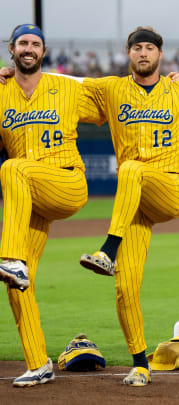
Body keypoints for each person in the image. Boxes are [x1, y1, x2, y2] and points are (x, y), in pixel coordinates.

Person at [75, 27, 179, 386]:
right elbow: (60, 85)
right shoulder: (111, 87)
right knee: (126, 288)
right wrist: (12, 75)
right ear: (128, 53)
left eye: (150, 48)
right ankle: (140, 363)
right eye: (137, 47)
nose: (144, 53)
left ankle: (108, 248)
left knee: (130, 168)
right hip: (135, 202)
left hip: (170, 187)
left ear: (160, 55)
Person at [0, 24, 103, 387]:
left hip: (66, 183)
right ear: (11, 49)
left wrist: (172, 84)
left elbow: (116, 101)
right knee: (18, 284)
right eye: (23, 43)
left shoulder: (66, 87)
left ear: (44, 51)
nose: (29, 48)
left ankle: (9, 258)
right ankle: (38, 363)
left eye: (35, 44)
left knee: (12, 168)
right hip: (29, 198)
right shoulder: (0, 93)